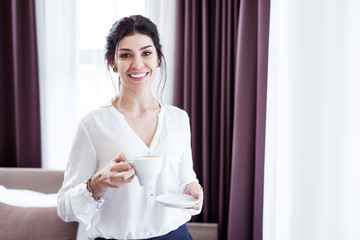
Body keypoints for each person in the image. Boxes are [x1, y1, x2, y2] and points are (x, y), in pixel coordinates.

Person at [57, 15, 203, 240]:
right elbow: (65, 208)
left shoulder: (179, 119)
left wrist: (193, 189)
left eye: (146, 53)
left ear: (158, 59)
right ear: (113, 62)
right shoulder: (92, 124)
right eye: (126, 55)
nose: (137, 64)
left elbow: (186, 179)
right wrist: (98, 183)